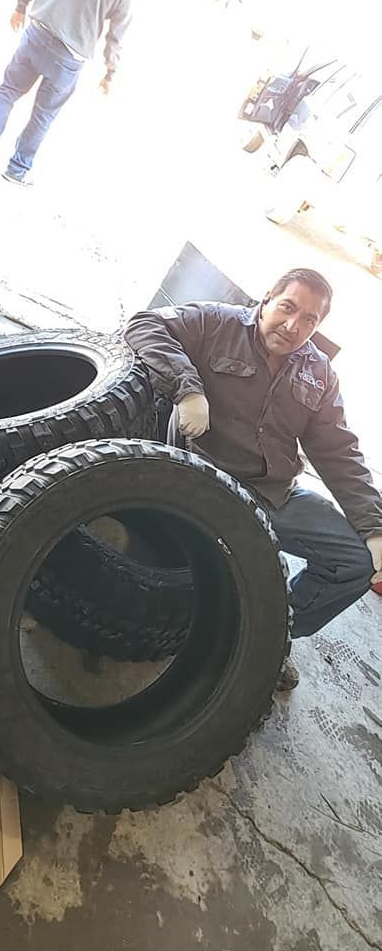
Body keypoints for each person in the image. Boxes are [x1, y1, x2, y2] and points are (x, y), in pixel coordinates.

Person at [125, 268, 382, 690]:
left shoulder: (318, 373)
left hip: (274, 493)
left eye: (309, 320)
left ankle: (261, 639)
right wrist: (188, 389)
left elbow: (338, 451)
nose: (293, 326)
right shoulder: (217, 323)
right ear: (267, 299)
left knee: (353, 563)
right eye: (288, 307)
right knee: (199, 565)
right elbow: (145, 324)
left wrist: (373, 527)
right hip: (204, 478)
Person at [0, 0, 132, 184]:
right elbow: (116, 35)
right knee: (43, 116)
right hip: (70, 56)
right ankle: (16, 170)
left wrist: (21, 7)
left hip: (38, 33)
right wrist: (110, 71)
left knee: (8, 91)